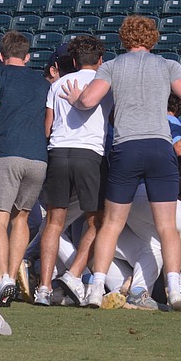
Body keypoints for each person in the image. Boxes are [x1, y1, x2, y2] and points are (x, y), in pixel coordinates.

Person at [61, 15, 181, 311]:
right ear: (153, 38)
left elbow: (88, 101)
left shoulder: (112, 66)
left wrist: (75, 98)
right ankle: (175, 290)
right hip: (159, 147)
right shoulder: (168, 65)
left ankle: (96, 289)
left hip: (126, 147)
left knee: (111, 223)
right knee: (166, 227)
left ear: (124, 38)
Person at [35, 36, 111, 306]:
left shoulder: (57, 85)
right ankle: (74, 273)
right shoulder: (105, 84)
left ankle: (43, 288)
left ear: (75, 61)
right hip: (90, 154)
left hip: (58, 152)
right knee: (98, 222)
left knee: (54, 222)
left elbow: (47, 128)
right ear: (100, 61)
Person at [0, 31, 51, 307]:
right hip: (37, 157)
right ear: (28, 56)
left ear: (1, 56)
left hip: (7, 152)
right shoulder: (42, 81)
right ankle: (12, 272)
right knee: (20, 218)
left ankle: (5, 279)